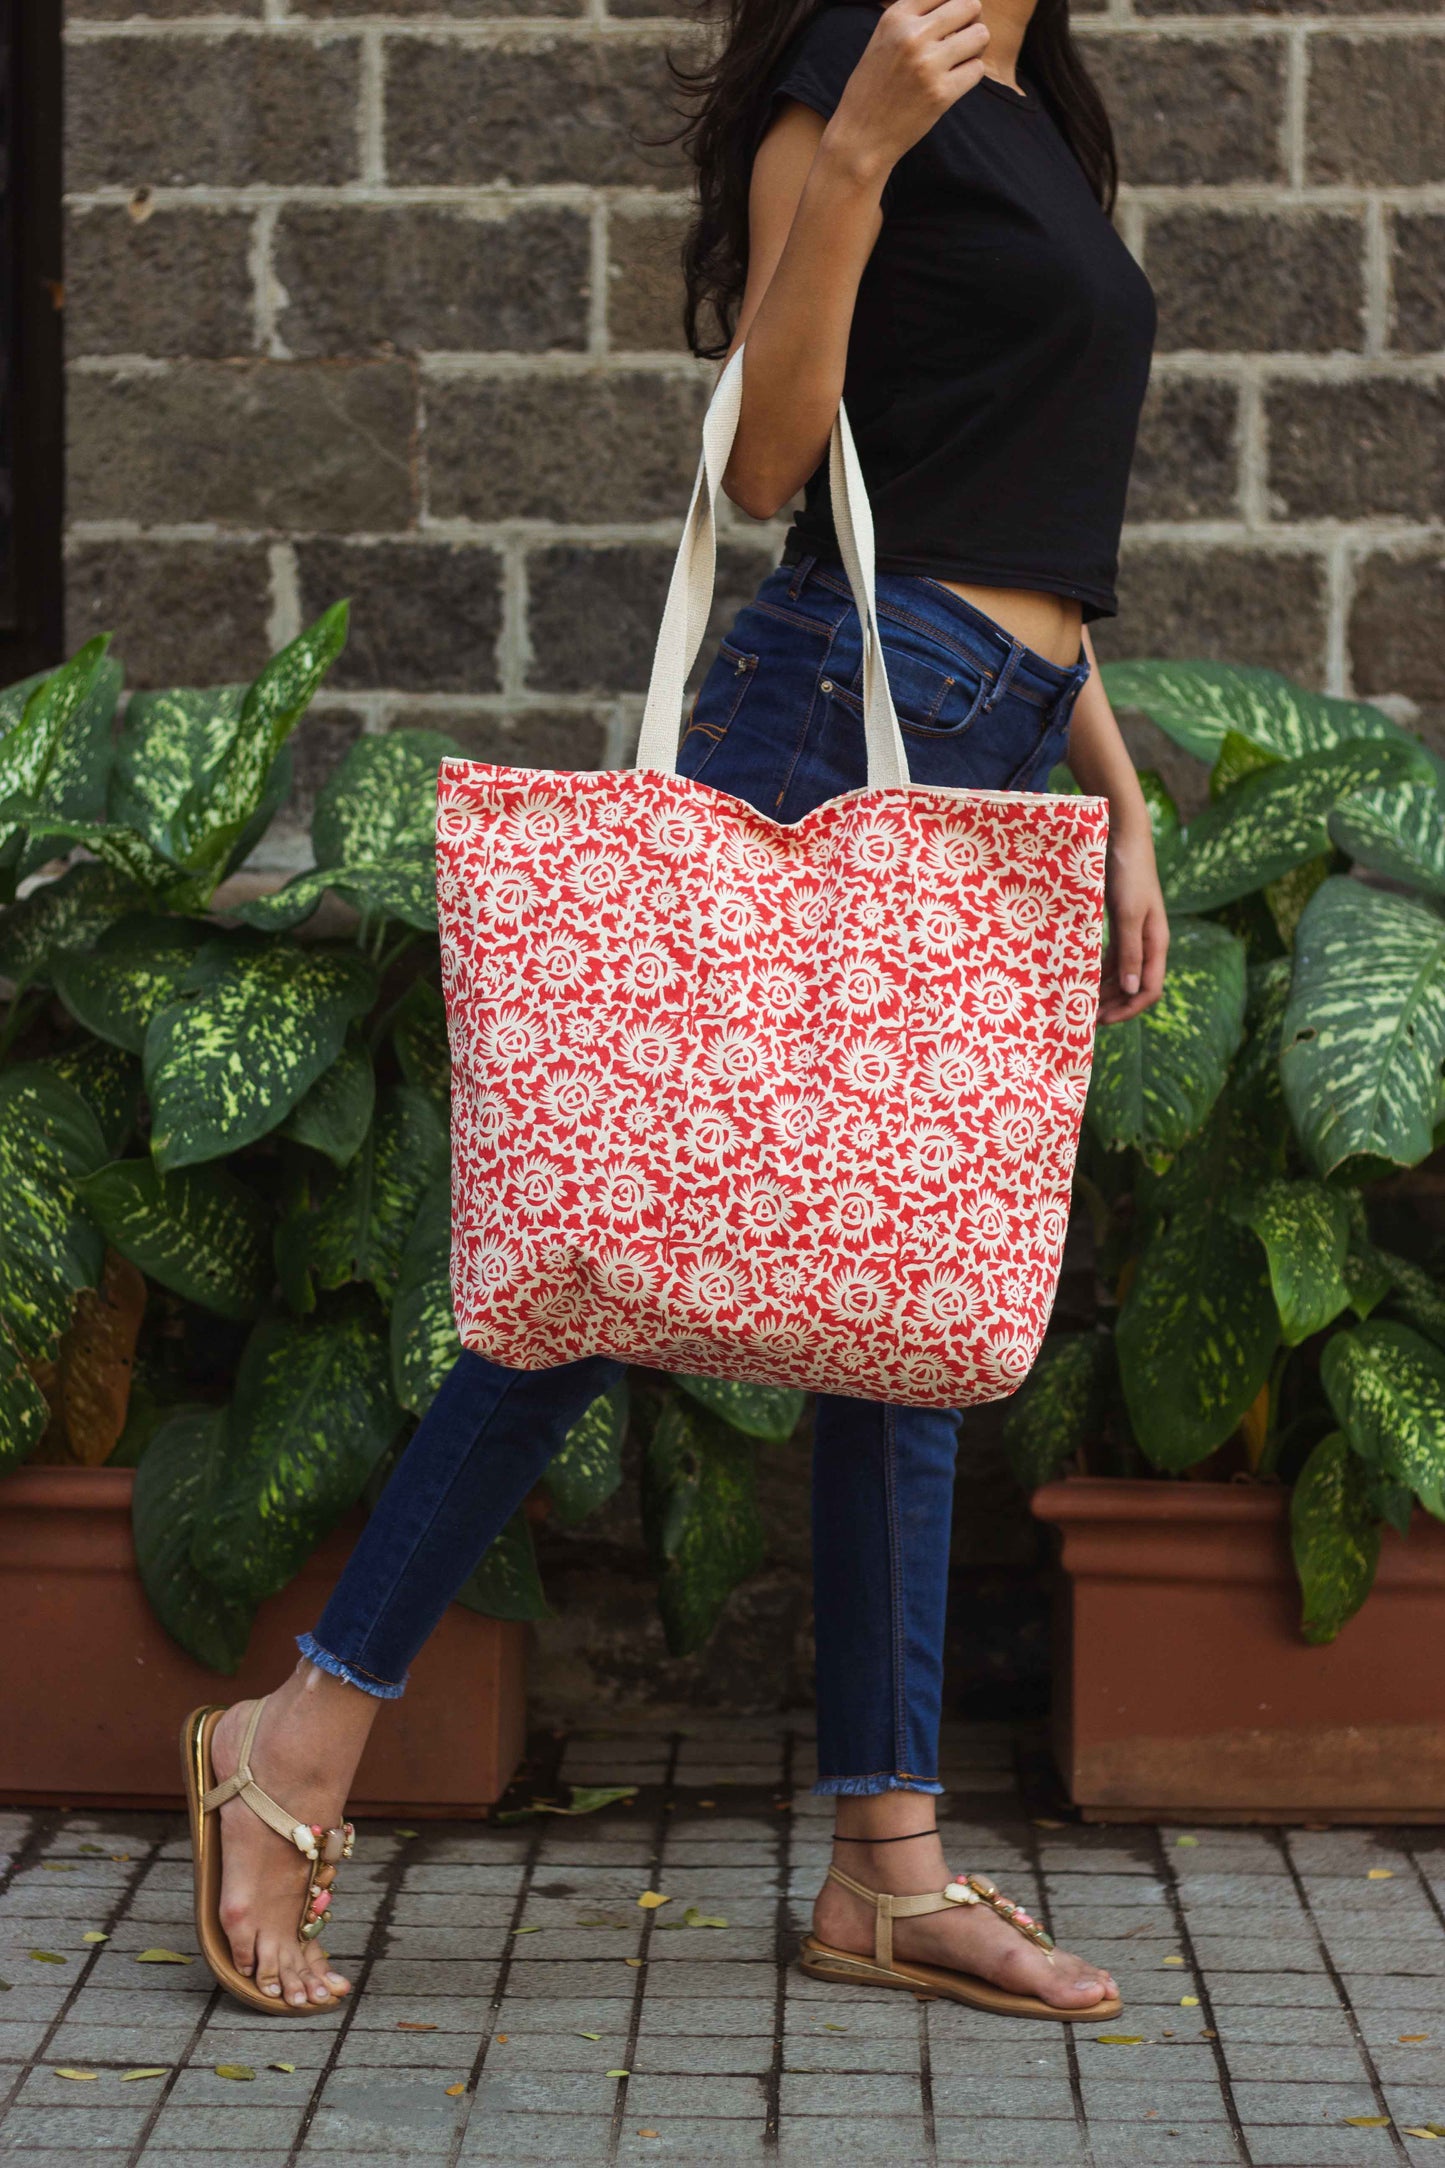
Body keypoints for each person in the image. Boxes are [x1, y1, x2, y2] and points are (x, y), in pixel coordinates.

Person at [182, 0, 1168, 2020]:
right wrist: (871, 146)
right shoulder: (859, 63)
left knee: (903, 1286)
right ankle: (297, 1731)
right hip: (831, 704)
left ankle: (886, 1868)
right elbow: (774, 458)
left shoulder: (1032, 99)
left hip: (980, 722)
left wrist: (1126, 799)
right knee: (603, 1264)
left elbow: (1001, 503)